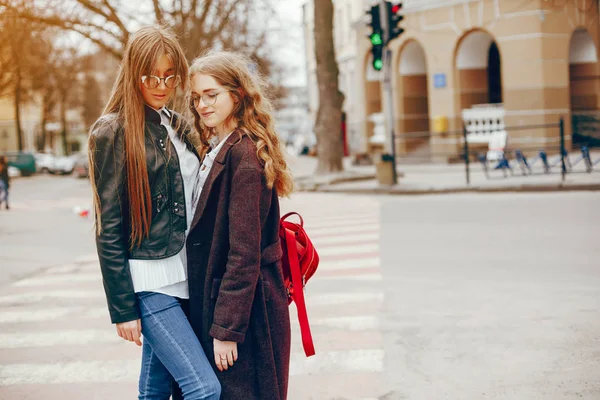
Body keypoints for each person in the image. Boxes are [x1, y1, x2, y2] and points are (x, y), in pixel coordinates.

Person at [88, 26, 220, 400]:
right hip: (150, 281)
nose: (161, 85)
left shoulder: (178, 125)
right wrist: (122, 308)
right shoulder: (111, 132)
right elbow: (108, 227)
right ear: (133, 74)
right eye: (150, 76)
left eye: (169, 76)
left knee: (158, 389)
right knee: (203, 388)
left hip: (187, 276)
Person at [184, 51, 294, 399]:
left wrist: (227, 330)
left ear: (237, 94)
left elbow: (243, 253)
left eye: (211, 94)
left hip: (248, 317)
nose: (202, 104)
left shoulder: (244, 158)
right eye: (197, 97)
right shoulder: (219, 147)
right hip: (228, 305)